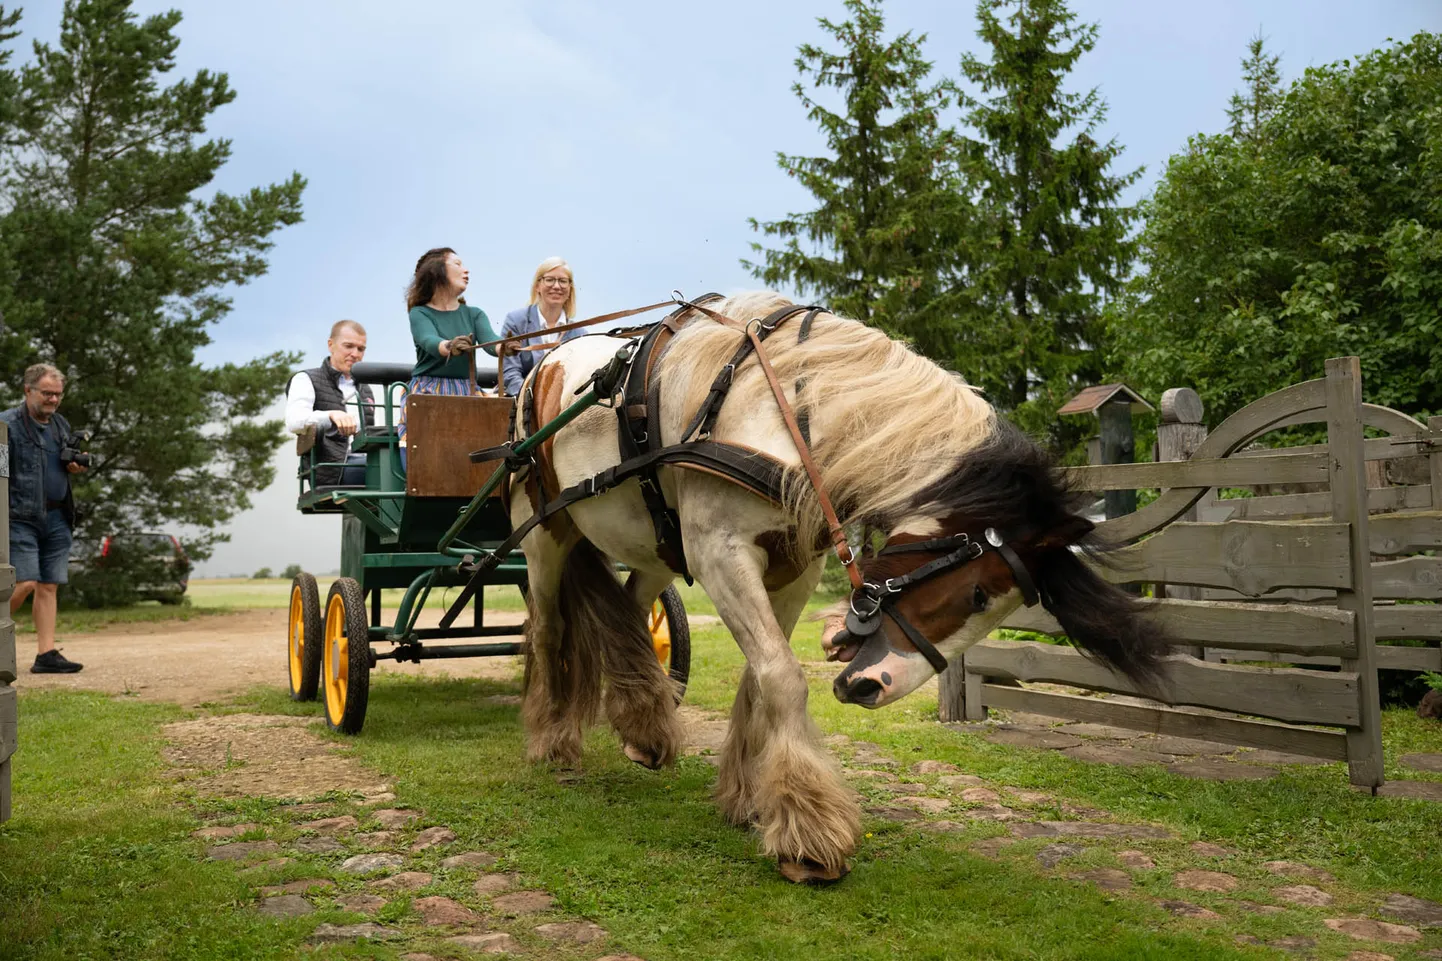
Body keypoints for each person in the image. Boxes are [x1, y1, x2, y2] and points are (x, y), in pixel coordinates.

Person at [2, 364, 88, 674]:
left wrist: (73, 467)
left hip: (57, 515)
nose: (53, 400)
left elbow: (58, 462)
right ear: (27, 390)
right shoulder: (6, 425)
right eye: (46, 393)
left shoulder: (60, 425)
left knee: (49, 585)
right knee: (24, 582)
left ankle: (46, 654)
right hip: (18, 516)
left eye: (58, 394)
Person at [400, 248, 499, 451]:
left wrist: (508, 346)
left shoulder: (474, 314)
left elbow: (491, 343)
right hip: (429, 392)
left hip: (467, 390)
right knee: (424, 448)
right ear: (437, 271)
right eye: (457, 264)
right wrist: (449, 346)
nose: (466, 270)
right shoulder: (420, 313)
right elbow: (428, 340)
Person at [285, 320, 374, 487]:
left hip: (363, 460)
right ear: (331, 345)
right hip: (329, 469)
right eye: (348, 346)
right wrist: (331, 415)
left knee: (407, 465)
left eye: (360, 349)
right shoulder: (306, 379)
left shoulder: (365, 390)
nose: (355, 354)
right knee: (388, 472)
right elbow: (294, 422)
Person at [500, 257, 584, 397]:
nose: (556, 286)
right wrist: (529, 400)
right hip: (520, 403)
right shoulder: (516, 321)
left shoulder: (579, 333)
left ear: (570, 289)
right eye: (550, 280)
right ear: (537, 286)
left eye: (563, 281)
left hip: (561, 408)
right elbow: (510, 372)